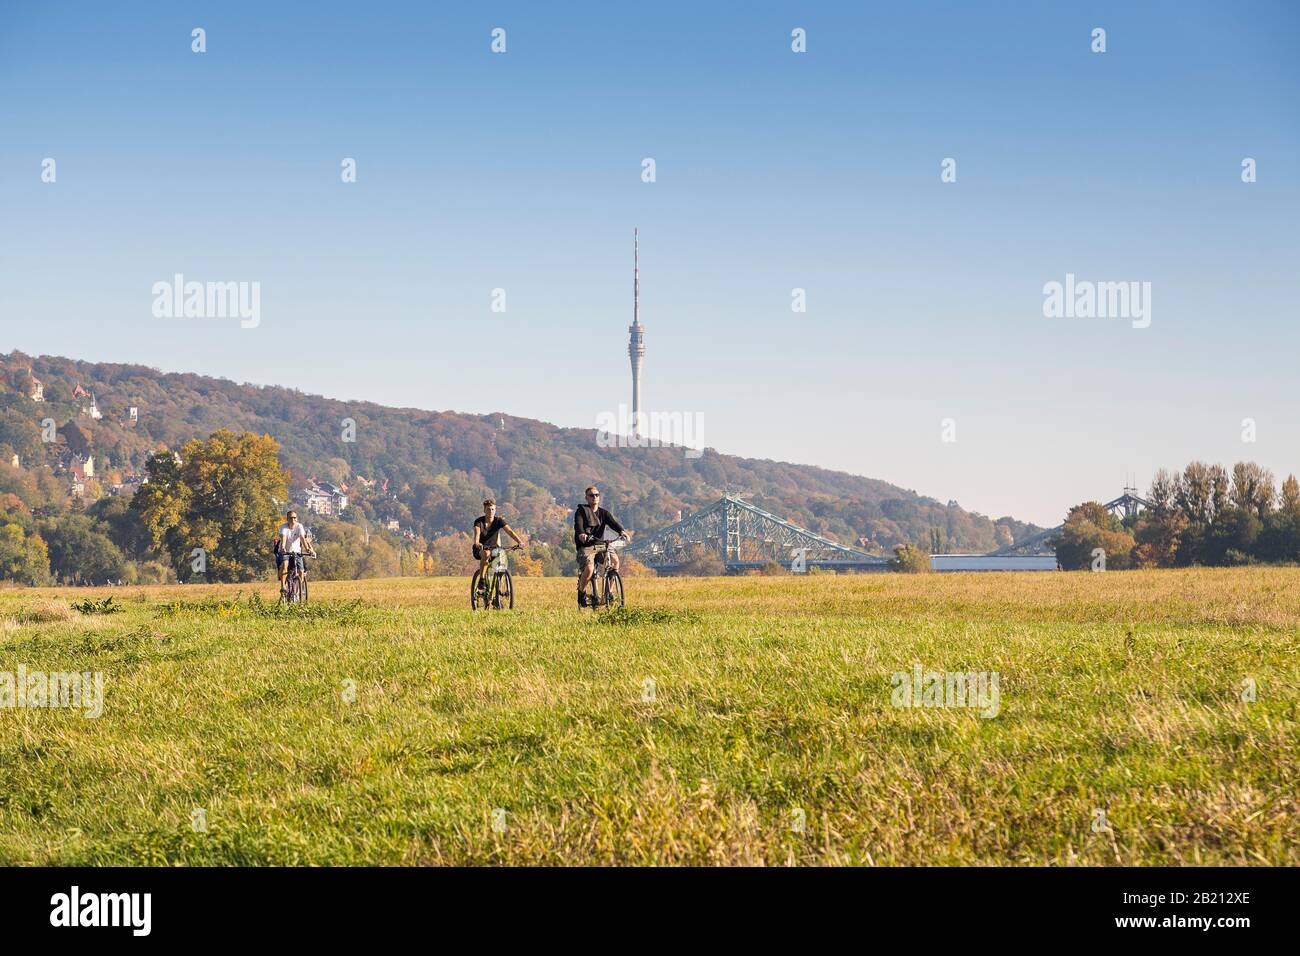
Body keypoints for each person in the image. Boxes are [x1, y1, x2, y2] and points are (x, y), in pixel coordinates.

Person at [574, 485, 630, 607]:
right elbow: (578, 525)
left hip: (601, 544)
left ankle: (608, 593)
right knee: (589, 569)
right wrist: (582, 534)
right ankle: (581, 592)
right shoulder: (581, 511)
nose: (594, 497)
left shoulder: (604, 513)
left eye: (597, 495)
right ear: (586, 498)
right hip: (587, 545)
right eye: (591, 495)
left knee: (615, 562)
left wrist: (622, 531)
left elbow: (613, 523)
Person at [472, 498, 525, 595]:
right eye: (488, 509)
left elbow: (510, 532)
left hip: (494, 548)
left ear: (495, 510)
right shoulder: (479, 522)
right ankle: (482, 580)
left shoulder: (498, 521)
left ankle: (498, 593)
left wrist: (520, 542)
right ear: (484, 510)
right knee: (486, 553)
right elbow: (477, 534)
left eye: (493, 509)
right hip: (480, 548)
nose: (491, 512)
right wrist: (477, 542)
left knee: (501, 559)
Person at [273, 510, 315, 598]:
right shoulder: (284, 527)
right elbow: (283, 538)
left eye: (295, 518)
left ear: (297, 518)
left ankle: (298, 590)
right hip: (286, 551)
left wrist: (308, 549)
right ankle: (283, 587)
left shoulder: (299, 526)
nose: (293, 519)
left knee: (301, 571)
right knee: (285, 565)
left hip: (297, 551)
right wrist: (283, 547)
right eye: (291, 518)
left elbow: (302, 538)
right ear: (287, 519)